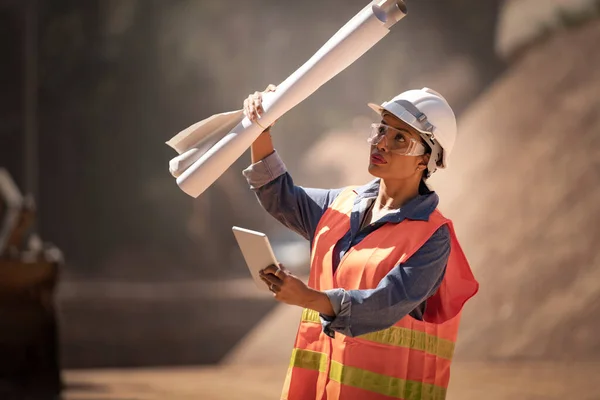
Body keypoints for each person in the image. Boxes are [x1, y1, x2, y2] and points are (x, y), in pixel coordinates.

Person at [242, 84, 479, 400]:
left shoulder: (432, 237)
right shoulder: (339, 204)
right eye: (382, 129)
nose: (381, 143)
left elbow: (382, 305)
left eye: (399, 139)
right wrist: (260, 128)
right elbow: (279, 196)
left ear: (425, 160)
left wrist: (307, 297)